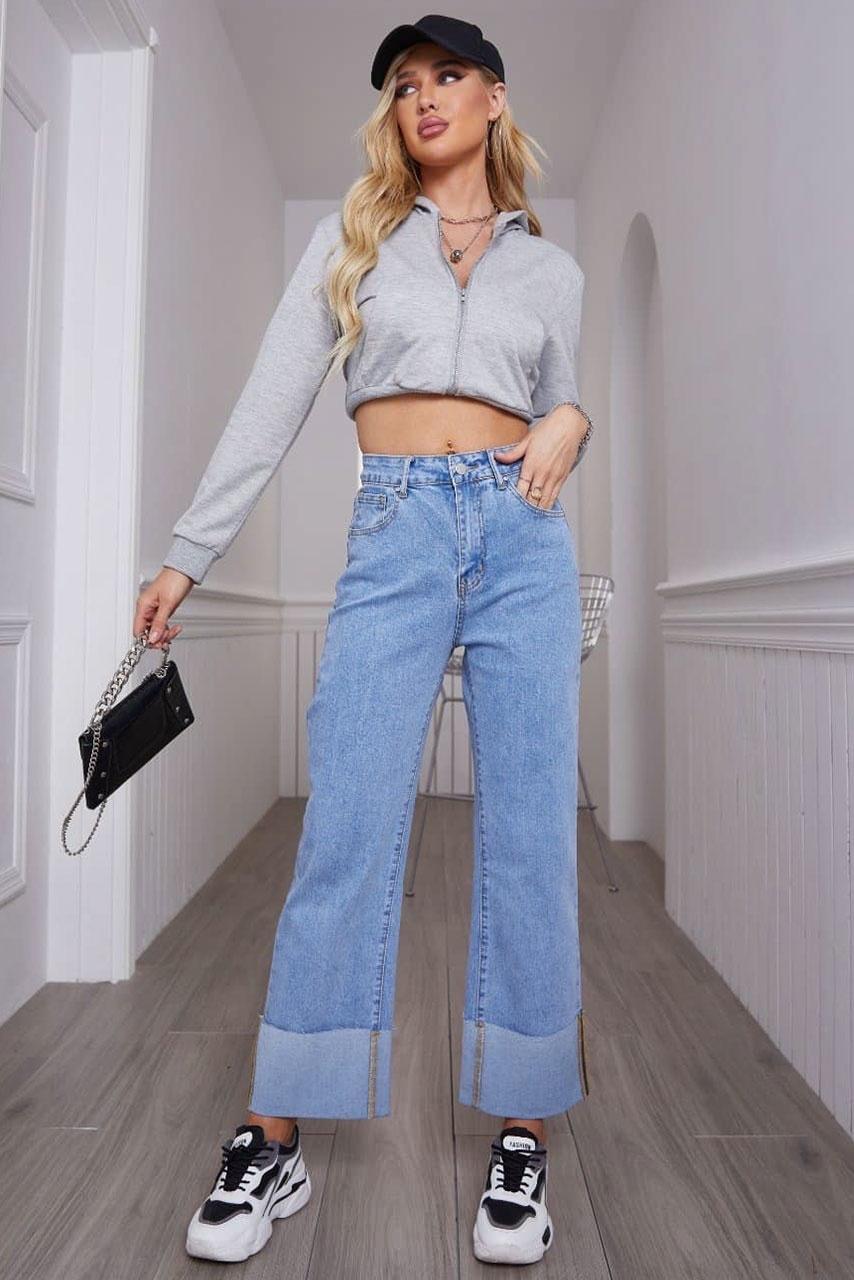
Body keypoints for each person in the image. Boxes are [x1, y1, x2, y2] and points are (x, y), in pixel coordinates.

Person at [134, 13, 593, 1269]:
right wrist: (187, 551)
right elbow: (272, 398)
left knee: (529, 830)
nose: (422, 96)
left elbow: (556, 404)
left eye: (447, 75)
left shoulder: (549, 270)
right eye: (403, 84)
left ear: (492, 97)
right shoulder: (354, 241)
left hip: (522, 537)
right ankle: (272, 1129)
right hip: (394, 527)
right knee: (345, 819)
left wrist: (574, 417)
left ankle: (521, 1134)